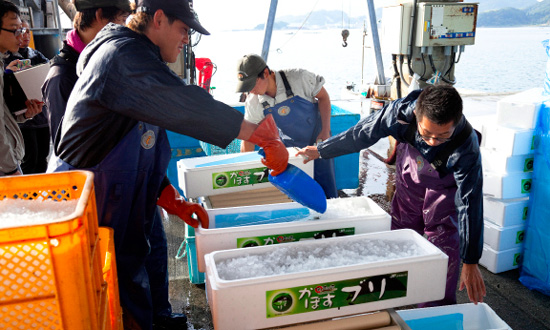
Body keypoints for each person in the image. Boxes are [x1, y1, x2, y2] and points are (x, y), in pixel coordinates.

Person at [46, 0, 288, 329]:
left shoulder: (141, 58)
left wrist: (171, 198)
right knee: (113, 291)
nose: (187, 39)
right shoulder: (122, 57)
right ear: (158, 19)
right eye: (184, 29)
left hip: (127, 195)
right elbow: (190, 106)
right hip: (89, 204)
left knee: (145, 267)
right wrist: (263, 135)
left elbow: (142, 149)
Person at [297, 84, 486, 307]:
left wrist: (471, 260)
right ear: (416, 114)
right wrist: (321, 150)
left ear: (456, 122)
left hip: (445, 183)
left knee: (444, 240)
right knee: (402, 228)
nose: (433, 141)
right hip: (411, 171)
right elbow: (360, 135)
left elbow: (469, 201)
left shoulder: (466, 145)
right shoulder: (398, 115)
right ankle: (394, 290)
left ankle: (434, 307)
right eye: (426, 134)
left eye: (443, 135)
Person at [236, 53, 338, 198]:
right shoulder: (254, 101)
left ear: (265, 73)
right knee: (295, 195)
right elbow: (248, 137)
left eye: (252, 84)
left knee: (326, 189)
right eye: (246, 86)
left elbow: (324, 97)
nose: (250, 90)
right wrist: (245, 168)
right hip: (290, 150)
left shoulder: (299, 77)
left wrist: (325, 130)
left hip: (318, 141)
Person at [42, 0, 131, 146]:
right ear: (100, 15)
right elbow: (66, 149)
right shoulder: (61, 77)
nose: (125, 28)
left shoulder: (104, 63)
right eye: (122, 20)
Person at [0, 1, 42, 177]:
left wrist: (24, 114)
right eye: (14, 29)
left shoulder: (3, 65)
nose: (21, 36)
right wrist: (11, 168)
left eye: (22, 30)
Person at [4, 20, 49, 174]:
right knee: (30, 160)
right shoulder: (7, 59)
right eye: (19, 31)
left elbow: (48, 72)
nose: (24, 36)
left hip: (40, 114)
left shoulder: (36, 55)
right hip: (23, 119)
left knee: (42, 159)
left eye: (27, 31)